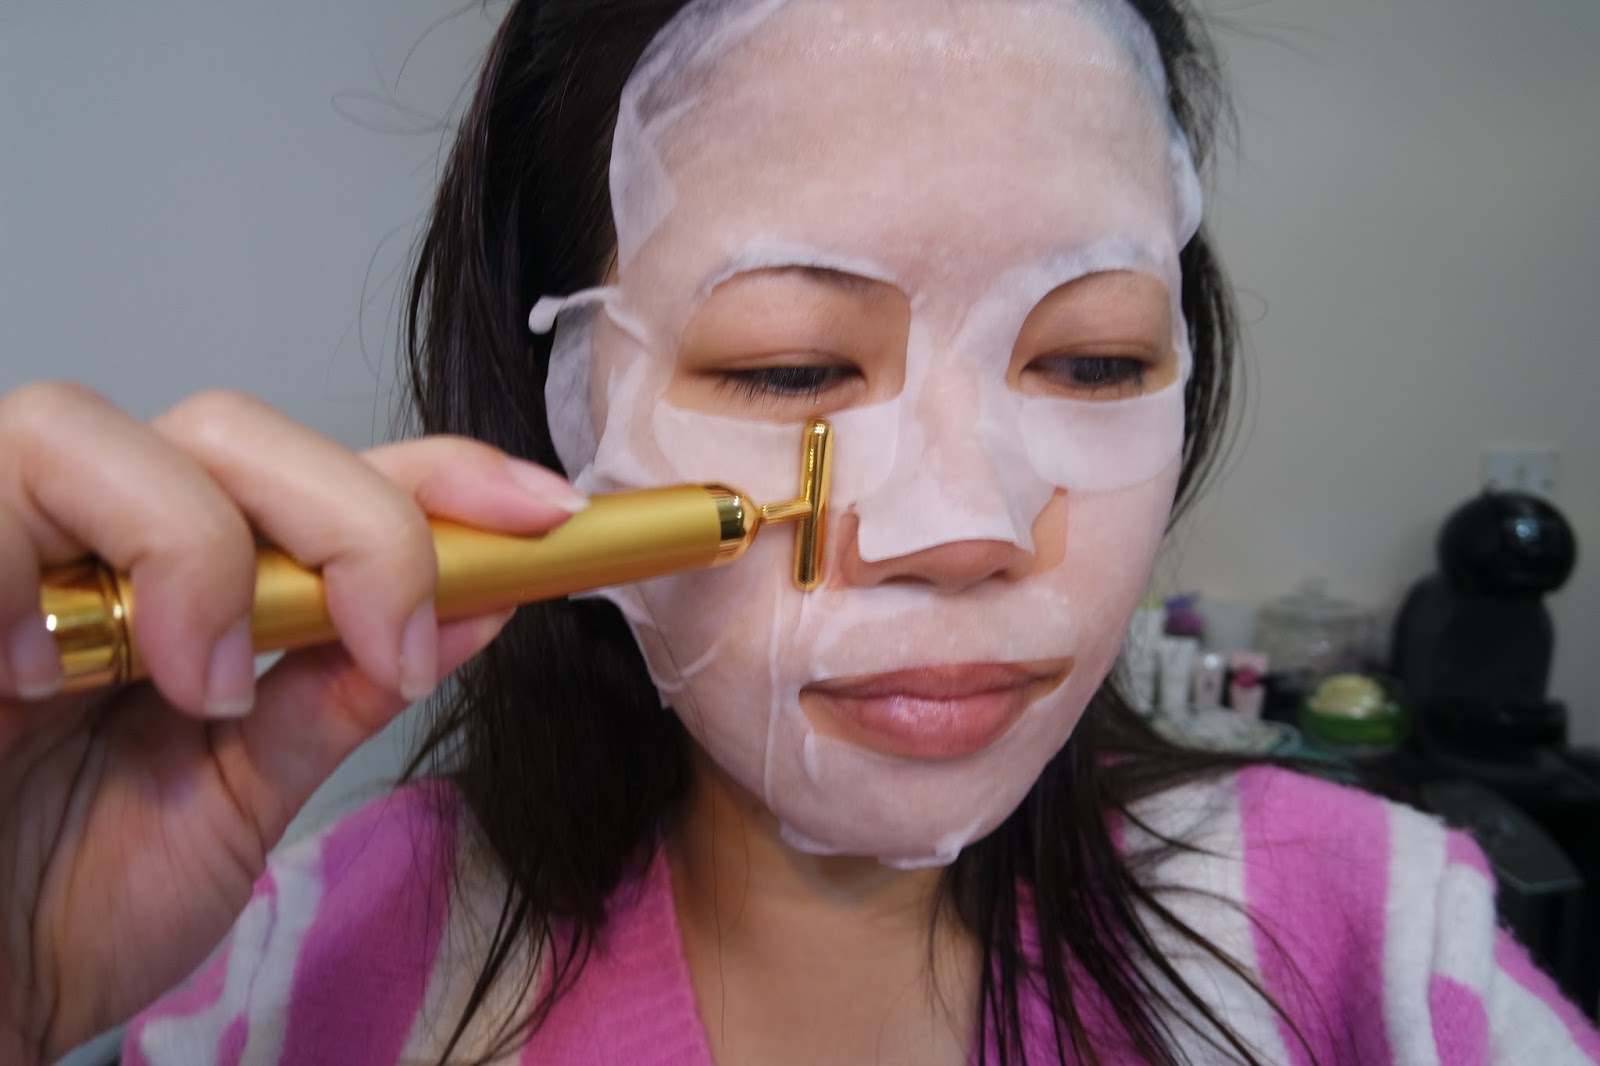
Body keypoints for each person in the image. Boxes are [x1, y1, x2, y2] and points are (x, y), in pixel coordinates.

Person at [2, 1, 1596, 1064]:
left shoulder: (1383, 953)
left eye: (1097, 360)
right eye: (789, 369)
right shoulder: (294, 971)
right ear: (554, 410)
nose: (962, 532)